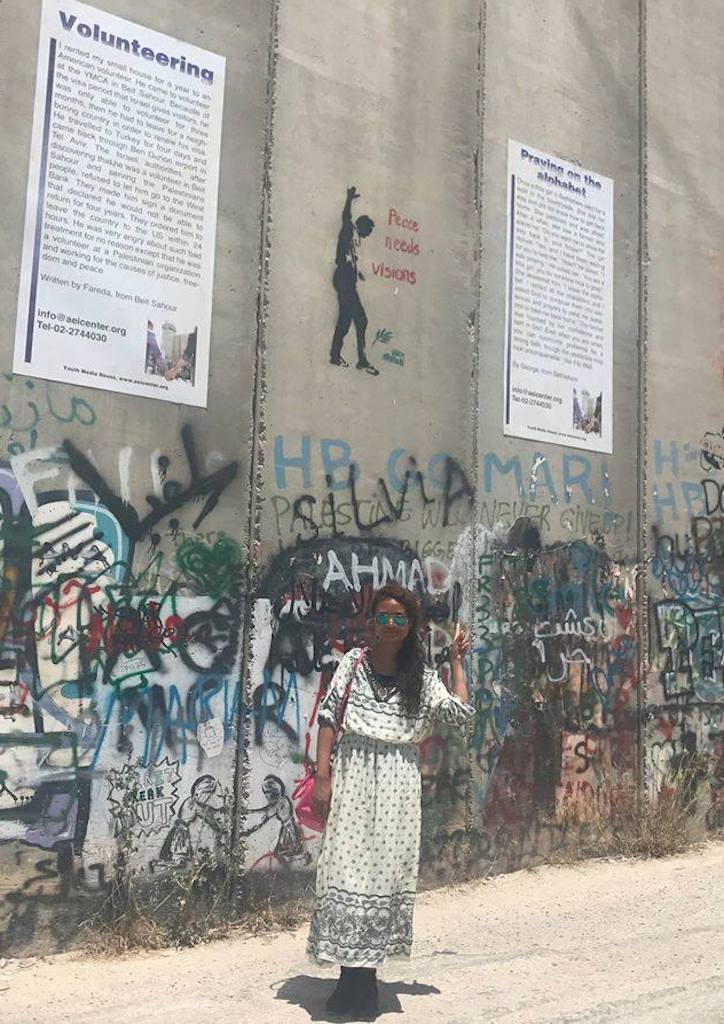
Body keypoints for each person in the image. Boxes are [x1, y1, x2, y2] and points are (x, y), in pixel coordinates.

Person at [306, 583, 474, 1018]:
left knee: (383, 879)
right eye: (384, 616)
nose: (392, 624)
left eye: (400, 617)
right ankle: (350, 978)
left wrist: (456, 661)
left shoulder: (420, 677)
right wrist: (323, 776)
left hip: (398, 784)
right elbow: (328, 718)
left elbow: (459, 712)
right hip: (355, 775)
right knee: (346, 873)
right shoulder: (352, 664)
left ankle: (365, 984)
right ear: (373, 621)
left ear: (412, 625)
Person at [329, 186, 378, 376]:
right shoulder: (350, 228)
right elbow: (346, 217)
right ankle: (362, 360)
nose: (368, 235)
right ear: (363, 225)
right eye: (369, 231)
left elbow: (351, 255)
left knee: (345, 319)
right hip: (344, 280)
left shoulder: (356, 237)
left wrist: (357, 272)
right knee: (361, 319)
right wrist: (349, 199)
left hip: (347, 280)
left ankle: (335, 355)